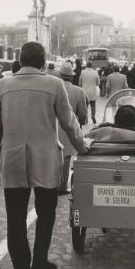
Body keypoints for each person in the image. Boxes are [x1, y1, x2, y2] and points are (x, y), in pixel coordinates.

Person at [0, 42, 91, 269]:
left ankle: (21, 267)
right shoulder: (54, 84)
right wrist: (81, 147)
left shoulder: (1, 85)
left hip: (12, 157)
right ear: (43, 62)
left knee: (15, 216)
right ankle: (39, 260)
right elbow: (69, 122)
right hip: (45, 158)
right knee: (46, 212)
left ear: (20, 60)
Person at [57, 61, 89, 193]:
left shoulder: (53, 88)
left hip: (52, 126)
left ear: (59, 75)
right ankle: (62, 187)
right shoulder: (79, 91)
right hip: (69, 127)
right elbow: (83, 114)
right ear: (71, 77)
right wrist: (80, 123)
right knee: (66, 156)